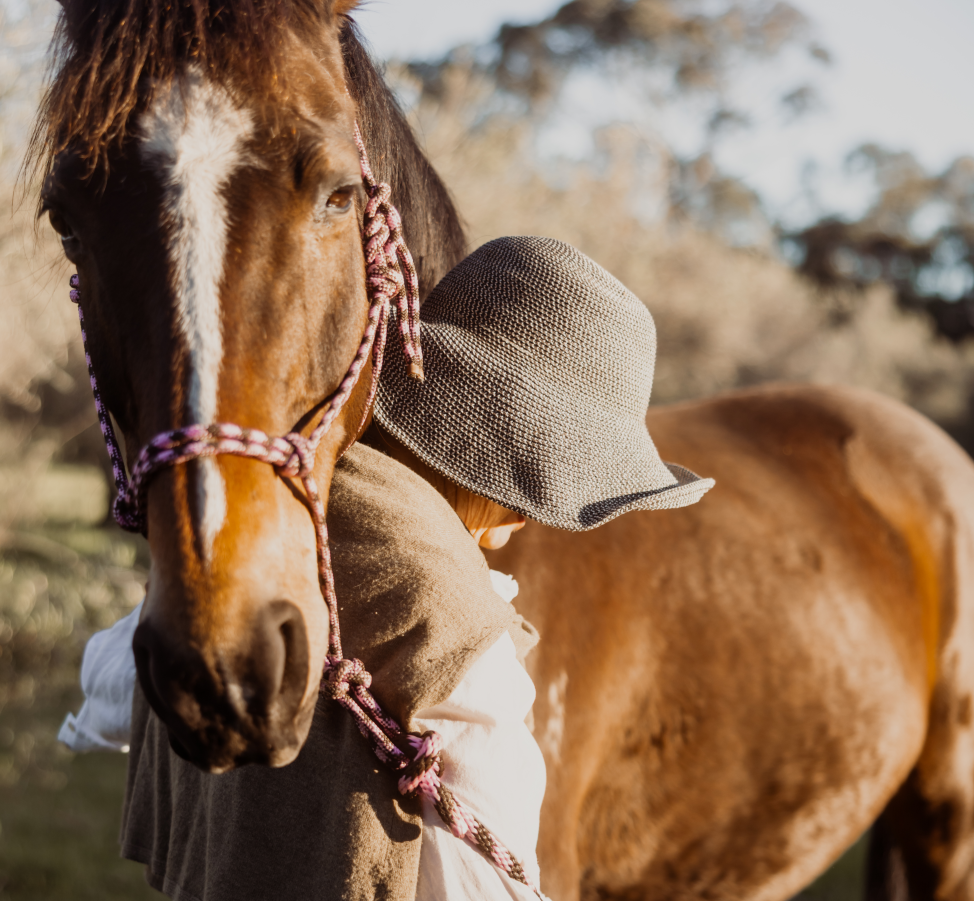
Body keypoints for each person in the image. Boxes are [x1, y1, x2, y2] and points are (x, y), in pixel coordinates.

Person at [61, 235, 714, 901]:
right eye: (536, 487)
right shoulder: (456, 634)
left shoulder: (257, 518)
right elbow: (491, 883)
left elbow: (111, 682)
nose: (534, 518)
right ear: (504, 450)